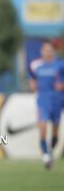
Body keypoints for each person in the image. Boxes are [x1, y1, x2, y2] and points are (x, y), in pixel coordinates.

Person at [29, 40, 63, 169]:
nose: (47, 53)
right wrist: (33, 84)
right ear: (41, 52)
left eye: (49, 50)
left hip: (57, 102)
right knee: (42, 129)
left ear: (53, 51)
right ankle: (46, 157)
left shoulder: (60, 65)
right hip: (42, 101)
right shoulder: (37, 66)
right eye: (45, 50)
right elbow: (32, 78)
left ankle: (50, 151)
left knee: (55, 135)